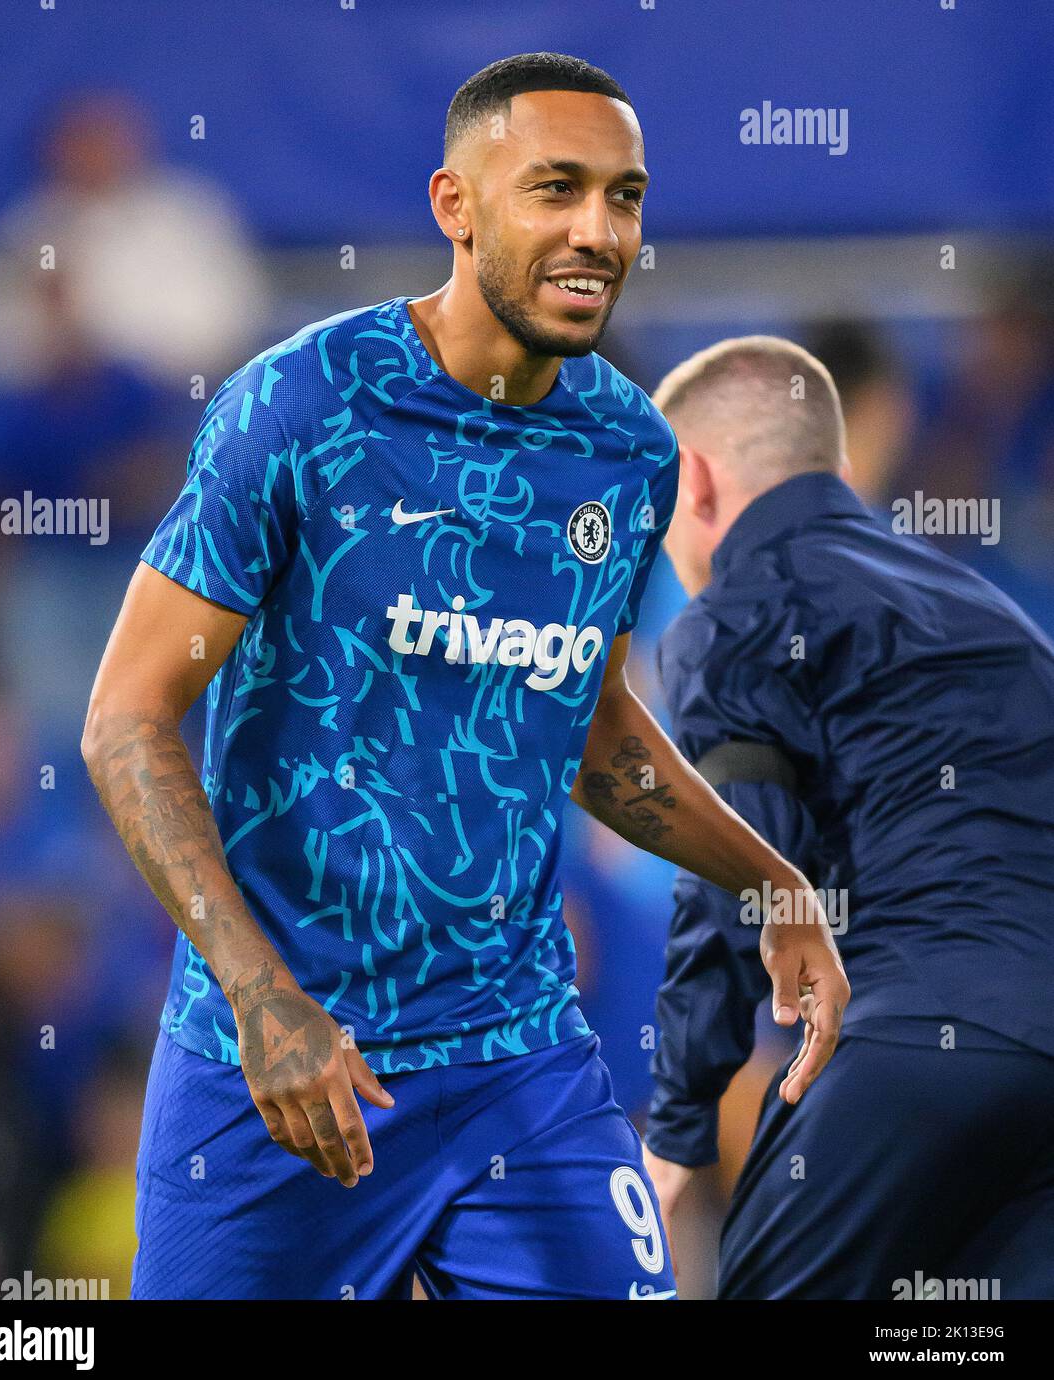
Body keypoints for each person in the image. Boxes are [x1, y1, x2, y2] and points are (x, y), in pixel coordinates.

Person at [82, 55, 846, 1301]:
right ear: (456, 203)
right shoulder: (300, 408)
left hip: (517, 1062)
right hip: (276, 1071)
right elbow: (124, 720)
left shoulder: (628, 452)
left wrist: (771, 882)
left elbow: (585, 729)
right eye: (556, 189)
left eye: (624, 196)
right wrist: (262, 997)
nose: (598, 230)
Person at [642, 335, 1054, 1299]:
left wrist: (678, 1118)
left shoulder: (740, 606)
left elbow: (743, 873)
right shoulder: (994, 611)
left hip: (917, 1040)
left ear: (694, 480)